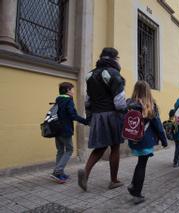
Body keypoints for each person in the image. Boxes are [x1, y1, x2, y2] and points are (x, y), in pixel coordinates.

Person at [78, 47, 127, 191]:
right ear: (114, 59)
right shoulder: (114, 74)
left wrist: (90, 117)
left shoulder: (90, 75)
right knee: (115, 147)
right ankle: (114, 180)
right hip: (112, 115)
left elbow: (87, 101)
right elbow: (119, 103)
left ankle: (85, 173)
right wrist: (126, 109)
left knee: (99, 148)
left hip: (98, 116)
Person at [127, 81, 168, 204]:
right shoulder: (150, 105)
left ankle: (133, 185)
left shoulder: (129, 103)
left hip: (133, 138)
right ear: (148, 91)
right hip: (145, 139)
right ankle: (137, 193)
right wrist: (164, 140)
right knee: (142, 164)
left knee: (140, 162)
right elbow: (158, 125)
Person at [50, 82, 88, 183]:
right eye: (72, 89)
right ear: (68, 90)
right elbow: (73, 115)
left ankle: (59, 172)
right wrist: (86, 121)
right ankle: (57, 172)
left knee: (60, 150)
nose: (73, 91)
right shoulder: (68, 100)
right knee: (69, 150)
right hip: (65, 130)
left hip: (56, 130)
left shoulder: (58, 100)